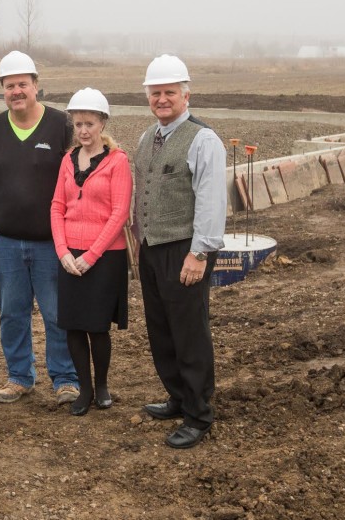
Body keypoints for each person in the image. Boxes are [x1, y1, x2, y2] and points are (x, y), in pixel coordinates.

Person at [0, 51, 80, 406]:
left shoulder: (61, 126)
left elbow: (81, 175)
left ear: (36, 86)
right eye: (9, 85)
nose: (17, 91)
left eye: (22, 84)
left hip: (52, 244)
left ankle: (65, 378)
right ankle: (19, 376)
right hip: (6, 245)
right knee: (11, 314)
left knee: (57, 314)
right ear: (3, 90)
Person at [134, 54, 226, 449]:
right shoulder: (146, 138)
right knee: (161, 329)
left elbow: (210, 200)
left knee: (189, 332)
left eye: (170, 92)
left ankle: (198, 413)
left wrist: (200, 253)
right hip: (153, 248)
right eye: (156, 93)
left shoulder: (203, 139)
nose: (162, 99)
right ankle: (176, 395)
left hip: (185, 250)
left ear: (186, 95)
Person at [50, 88, 132, 416]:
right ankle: (83, 388)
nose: (83, 130)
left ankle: (102, 385)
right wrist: (63, 251)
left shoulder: (117, 162)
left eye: (90, 124)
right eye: (78, 124)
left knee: (97, 327)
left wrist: (91, 255)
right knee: (73, 325)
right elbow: (57, 206)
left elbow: (119, 213)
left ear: (102, 123)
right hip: (70, 255)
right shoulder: (67, 162)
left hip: (104, 257)